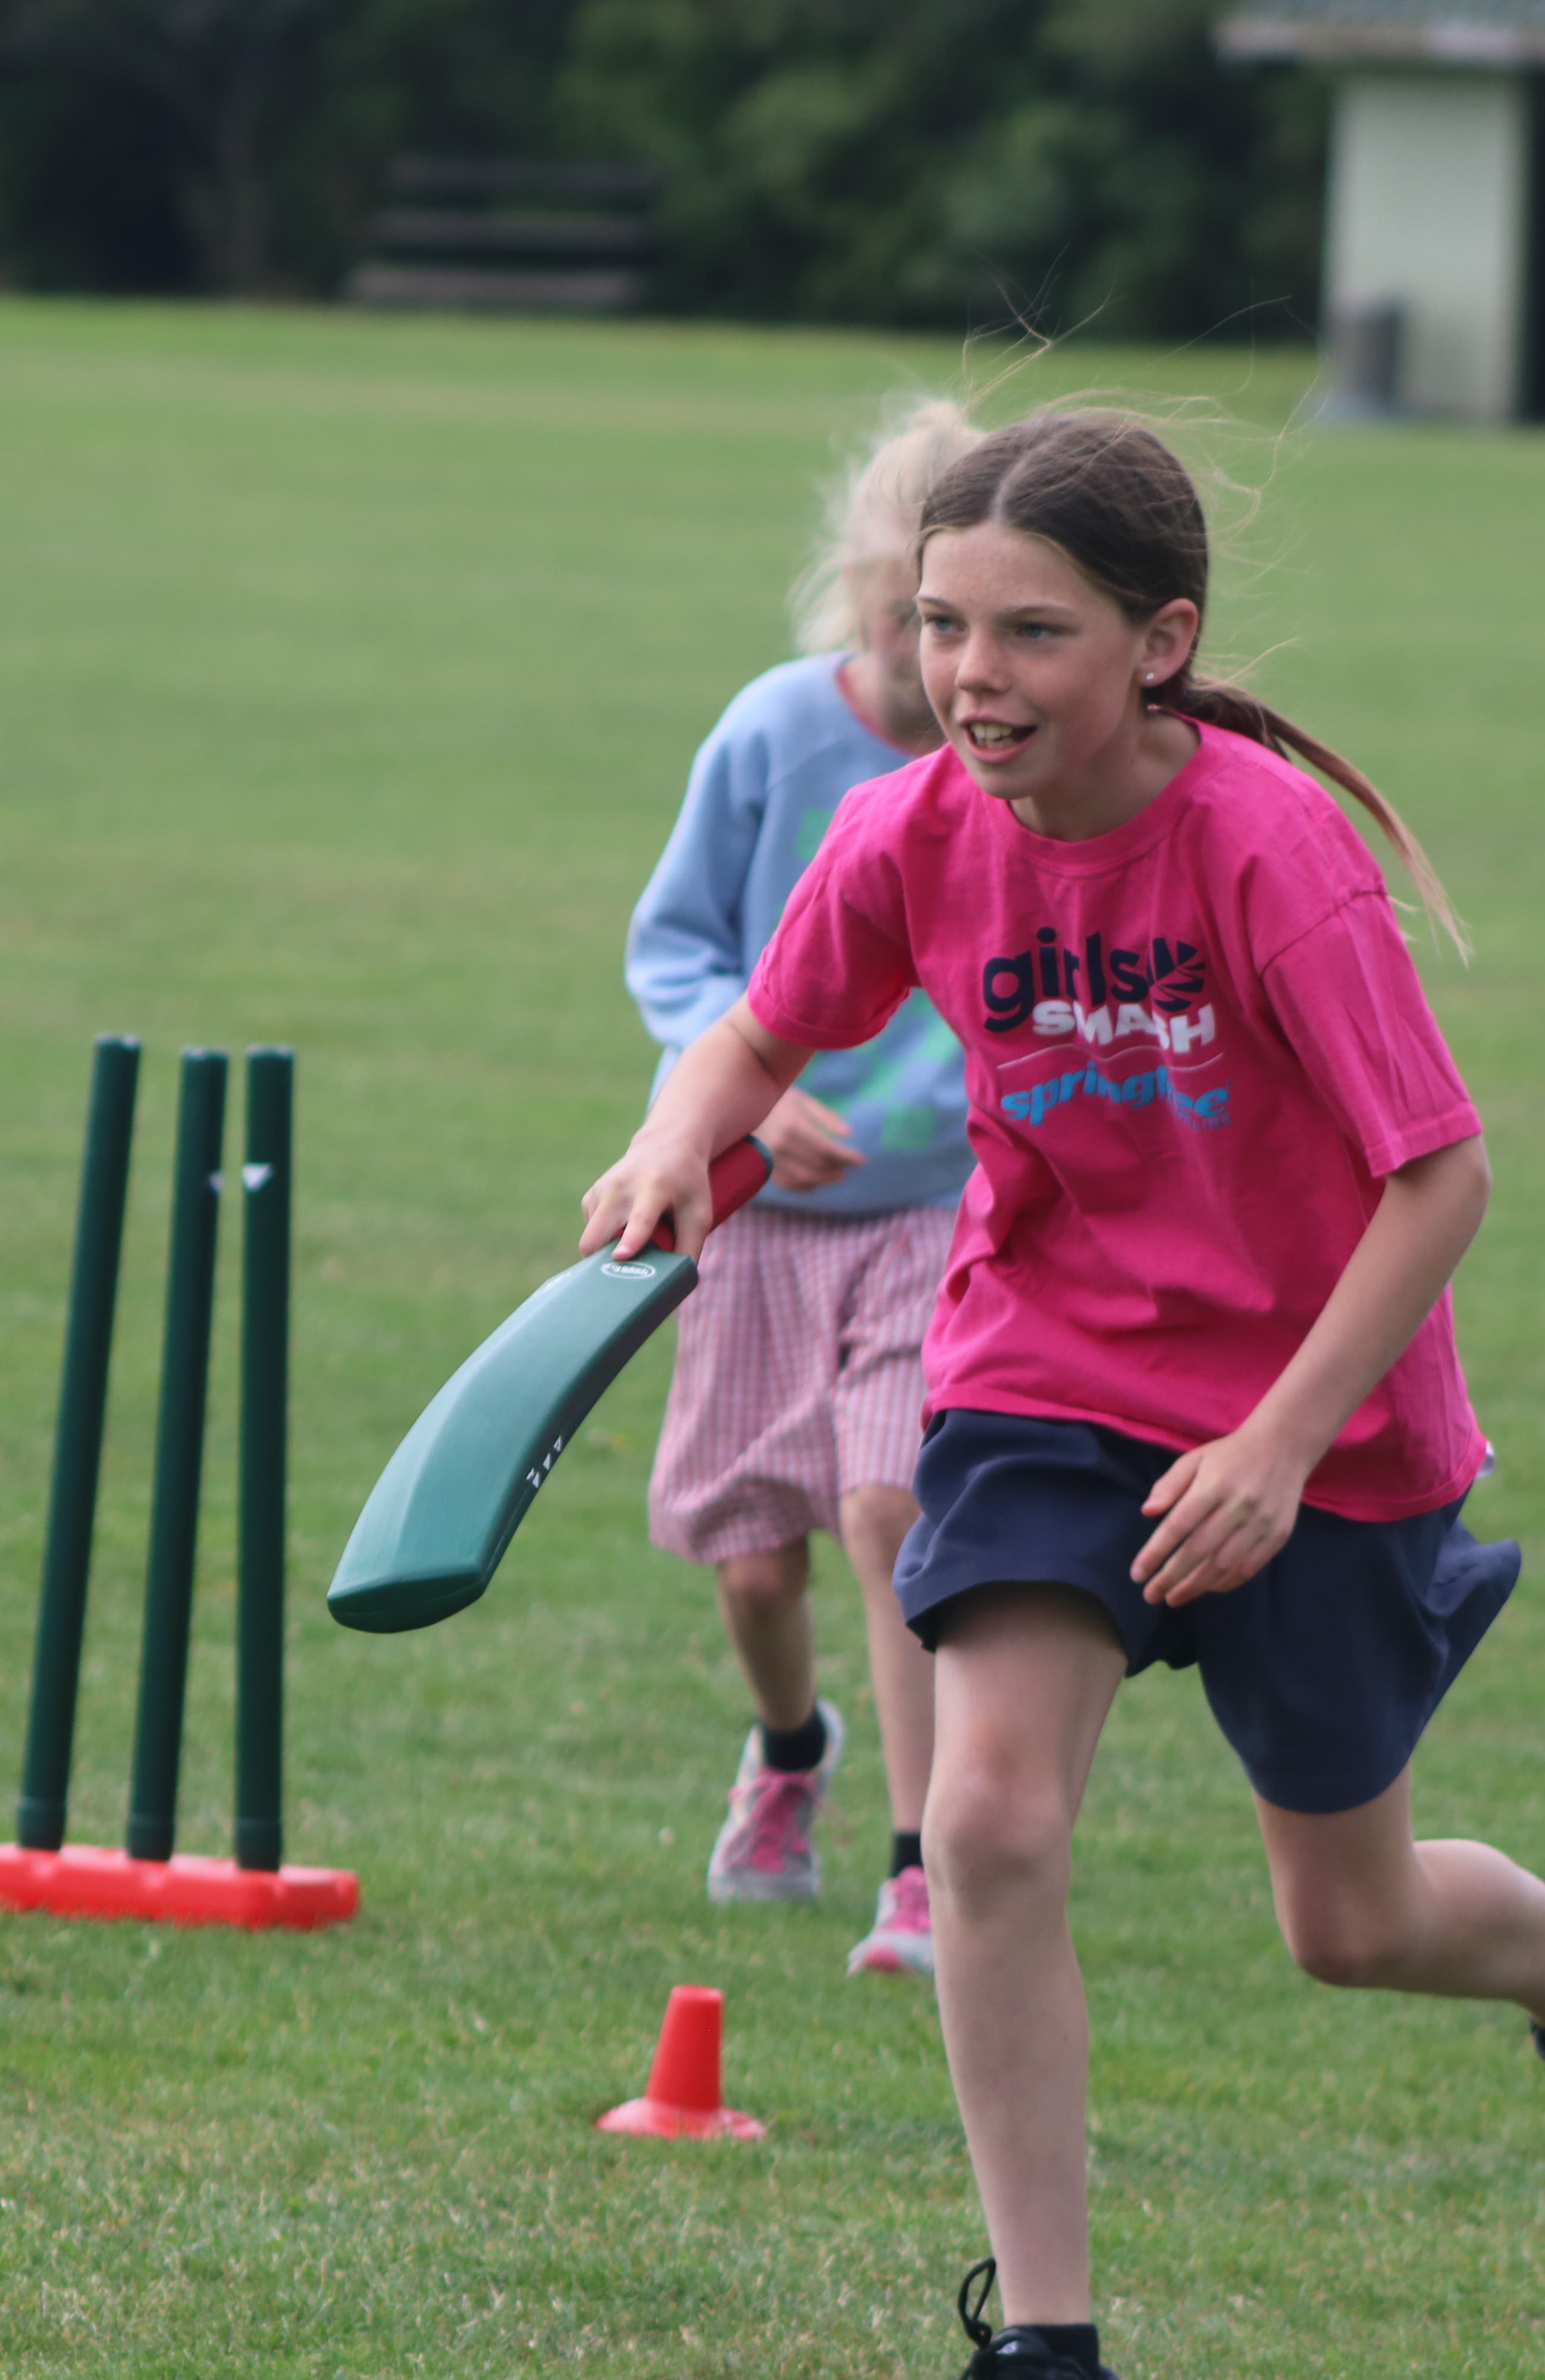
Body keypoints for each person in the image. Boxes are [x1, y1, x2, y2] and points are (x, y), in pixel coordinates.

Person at [581, 413, 1545, 2379]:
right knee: (994, 1823)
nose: (970, 679)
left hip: (1319, 1417)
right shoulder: (910, 829)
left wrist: (1279, 1447)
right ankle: (1048, 2340)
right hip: (1047, 1373)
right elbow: (756, 1032)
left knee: (1346, 1926)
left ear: (1157, 644)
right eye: (942, 628)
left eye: (1030, 635)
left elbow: (1441, 1179)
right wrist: (681, 1138)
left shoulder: (1273, 855)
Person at [625, 399, 983, 1976]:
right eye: (930, 628)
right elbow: (678, 943)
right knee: (758, 1556)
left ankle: (922, 1869)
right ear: (867, 595)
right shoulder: (775, 735)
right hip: (759, 1202)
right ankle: (789, 1754)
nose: (963, 675)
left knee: (892, 1503)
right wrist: (752, 1084)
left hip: (938, 1207)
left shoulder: (1013, 772)